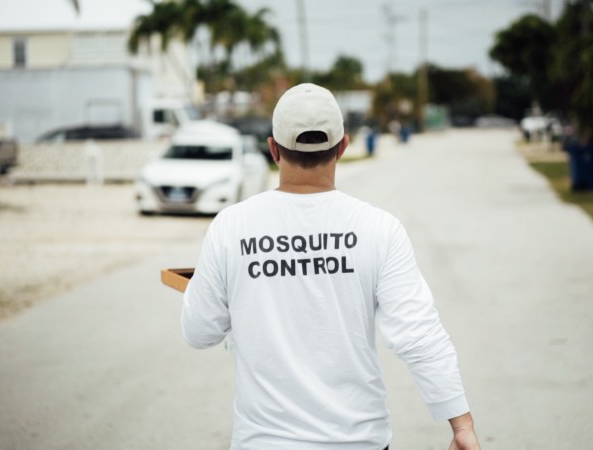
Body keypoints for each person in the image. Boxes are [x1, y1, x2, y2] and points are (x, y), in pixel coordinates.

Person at [181, 83, 480, 450]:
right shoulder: (378, 228)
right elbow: (419, 333)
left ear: (273, 148)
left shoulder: (231, 227)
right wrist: (460, 423)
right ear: (343, 147)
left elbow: (199, 331)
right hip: (359, 441)